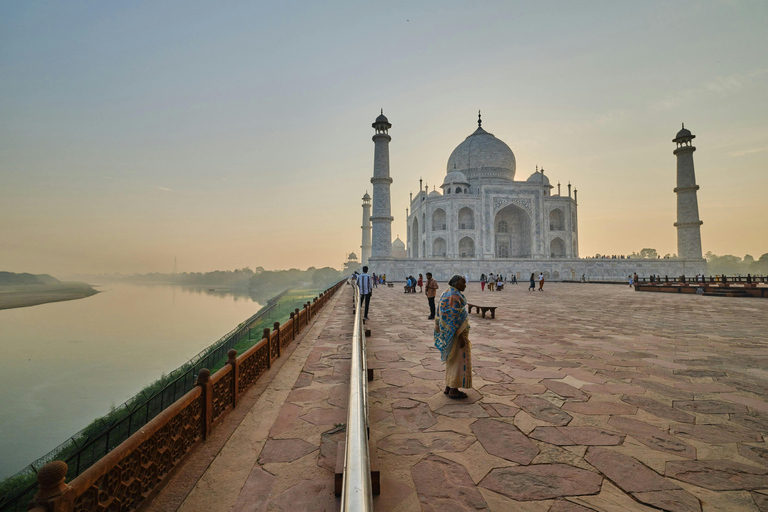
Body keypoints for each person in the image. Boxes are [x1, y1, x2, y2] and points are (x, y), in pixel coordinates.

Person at [434, 275, 472, 399]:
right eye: (463, 283)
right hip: (456, 334)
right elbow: (454, 319)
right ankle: (454, 390)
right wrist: (460, 337)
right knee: (458, 361)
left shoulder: (446, 293)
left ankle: (449, 386)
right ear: (456, 283)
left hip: (447, 333)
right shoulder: (454, 296)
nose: (465, 285)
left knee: (451, 360)